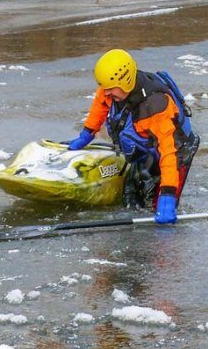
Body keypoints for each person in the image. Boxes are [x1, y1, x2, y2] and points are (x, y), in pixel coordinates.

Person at [68, 49, 199, 224]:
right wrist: (86, 134)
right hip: (145, 152)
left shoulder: (155, 107)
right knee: (131, 201)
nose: (105, 93)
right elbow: (100, 104)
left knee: (158, 210)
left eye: (110, 89)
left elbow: (169, 154)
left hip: (176, 154)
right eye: (104, 88)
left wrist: (167, 194)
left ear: (125, 82)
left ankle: (165, 228)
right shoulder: (111, 89)